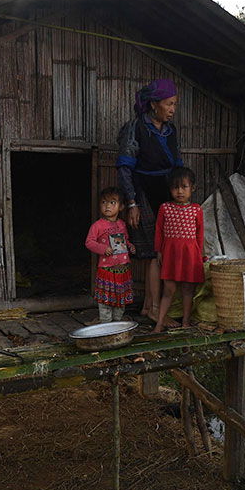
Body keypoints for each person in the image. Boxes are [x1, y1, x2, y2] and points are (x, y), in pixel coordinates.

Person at [116, 78, 184, 324]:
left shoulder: (171, 130)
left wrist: (181, 198)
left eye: (175, 104)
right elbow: (125, 167)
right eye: (169, 104)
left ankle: (147, 307)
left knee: (161, 251)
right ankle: (155, 309)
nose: (172, 109)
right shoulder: (135, 128)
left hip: (166, 192)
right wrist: (131, 203)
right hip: (142, 191)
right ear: (154, 104)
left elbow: (178, 164)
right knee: (152, 252)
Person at [153, 167, 205, 332]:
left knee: (188, 290)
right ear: (170, 189)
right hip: (170, 255)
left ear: (193, 188)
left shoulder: (196, 209)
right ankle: (159, 323)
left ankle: (186, 321)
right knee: (169, 289)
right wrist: (159, 252)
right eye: (175, 187)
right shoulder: (165, 208)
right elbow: (159, 231)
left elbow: (200, 235)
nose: (180, 191)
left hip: (190, 255)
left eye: (184, 187)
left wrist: (199, 256)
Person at [84, 186, 136, 322]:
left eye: (112, 202)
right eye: (104, 202)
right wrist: (102, 248)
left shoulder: (122, 224)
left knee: (120, 299)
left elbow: (125, 240)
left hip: (122, 270)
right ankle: (105, 325)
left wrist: (130, 246)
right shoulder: (98, 226)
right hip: (107, 270)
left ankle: (117, 324)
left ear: (121, 207)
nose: (107, 206)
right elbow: (89, 242)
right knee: (106, 301)